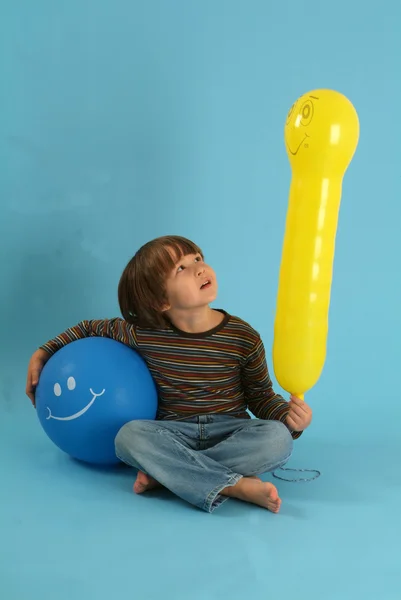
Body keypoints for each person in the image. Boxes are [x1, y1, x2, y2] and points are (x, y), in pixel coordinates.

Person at [26, 235, 312, 514]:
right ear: (160, 301)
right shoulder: (142, 333)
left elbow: (260, 397)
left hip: (231, 431)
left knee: (278, 439)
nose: (199, 268)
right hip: (173, 433)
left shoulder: (243, 337)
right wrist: (44, 352)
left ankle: (167, 474)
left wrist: (288, 418)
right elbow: (88, 328)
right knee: (128, 437)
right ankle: (233, 485)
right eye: (181, 269)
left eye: (197, 258)